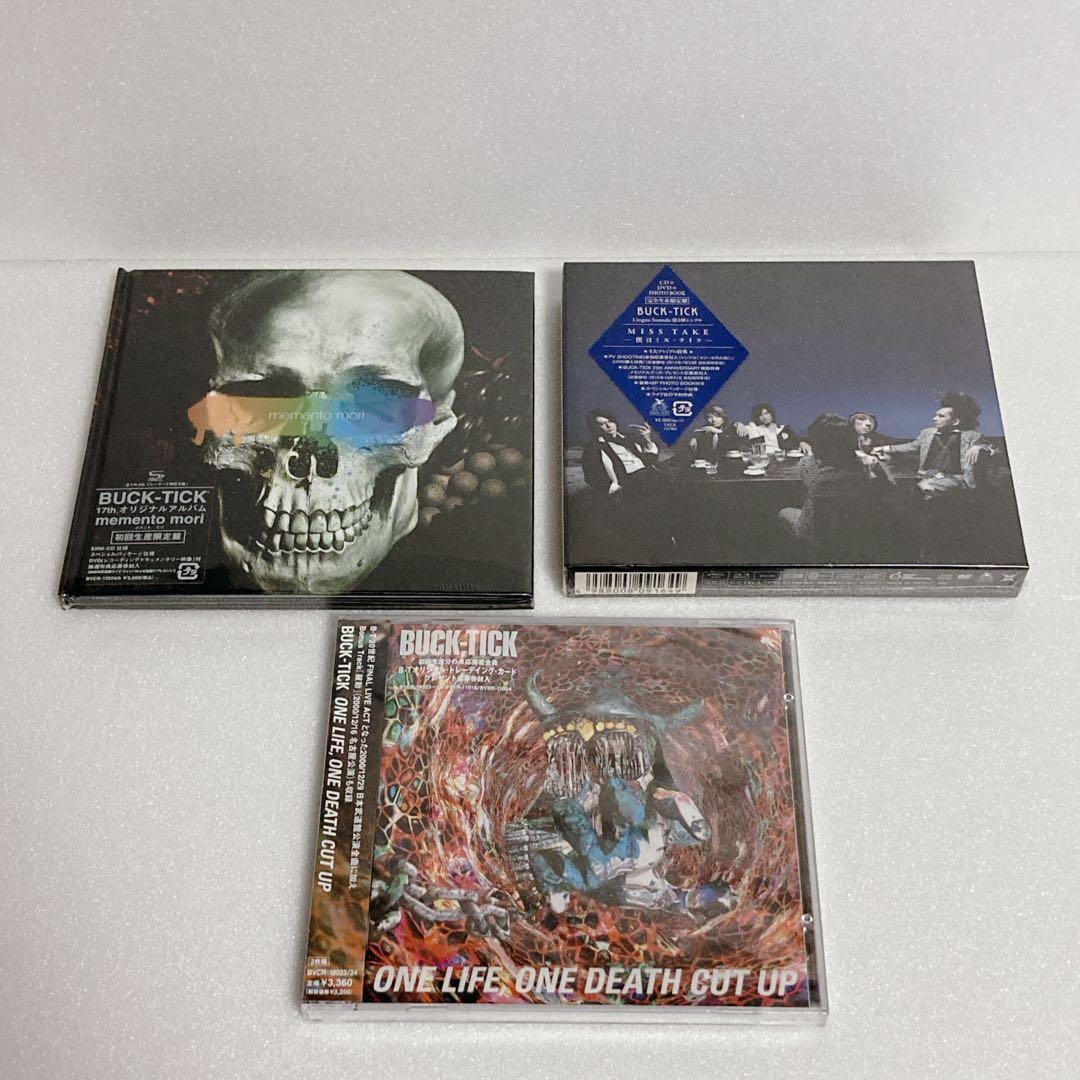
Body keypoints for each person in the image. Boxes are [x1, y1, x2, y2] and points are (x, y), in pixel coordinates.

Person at [778, 413, 875, 549]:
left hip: (814, 532)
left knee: (783, 512)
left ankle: (798, 553)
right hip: (849, 531)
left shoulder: (807, 464)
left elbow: (809, 479)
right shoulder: (862, 468)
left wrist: (811, 454)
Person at [872, 393, 995, 496]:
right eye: (935, 415)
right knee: (890, 480)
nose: (934, 418)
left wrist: (979, 447)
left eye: (941, 416)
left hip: (955, 478)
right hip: (925, 475)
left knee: (923, 488)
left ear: (955, 421)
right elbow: (911, 446)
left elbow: (994, 450)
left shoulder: (973, 436)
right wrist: (883, 448)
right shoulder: (927, 433)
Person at [581, 410, 660, 495]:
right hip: (628, 484)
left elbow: (651, 460)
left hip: (649, 475)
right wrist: (616, 489)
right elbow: (591, 477)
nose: (609, 425)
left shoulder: (630, 438)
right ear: (595, 428)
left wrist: (648, 441)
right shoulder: (593, 448)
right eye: (602, 424)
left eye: (610, 421)